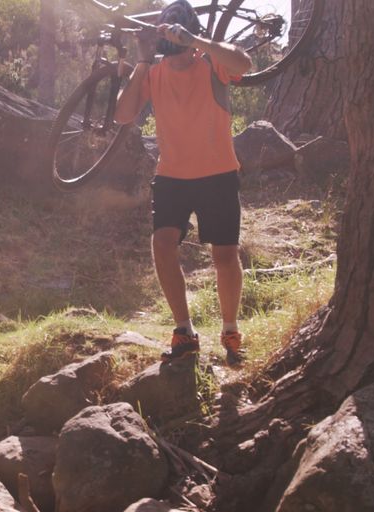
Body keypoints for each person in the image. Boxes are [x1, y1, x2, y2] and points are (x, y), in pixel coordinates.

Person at [113, 0, 252, 366]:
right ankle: (184, 331)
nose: (174, 49)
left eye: (179, 37)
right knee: (162, 244)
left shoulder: (211, 65)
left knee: (224, 255)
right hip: (172, 175)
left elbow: (244, 63)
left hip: (218, 172)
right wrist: (143, 60)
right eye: (169, 38)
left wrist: (197, 41)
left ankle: (230, 330)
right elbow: (123, 114)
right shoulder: (154, 73)